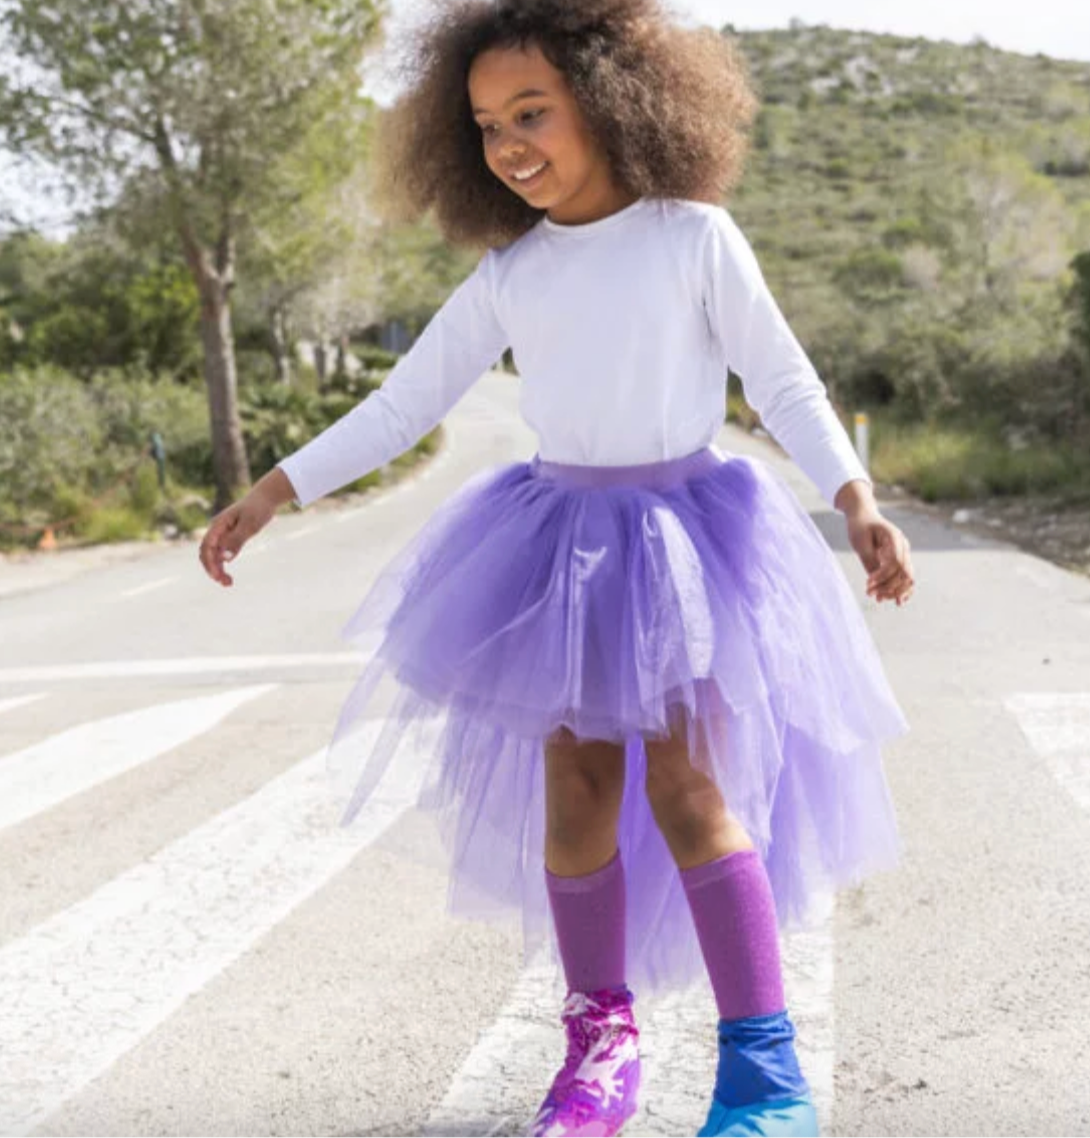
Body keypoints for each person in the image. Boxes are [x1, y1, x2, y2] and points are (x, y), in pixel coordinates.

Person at [198, 1, 916, 1134]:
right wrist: (274, 488)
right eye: (485, 124)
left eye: (531, 111)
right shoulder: (513, 272)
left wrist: (856, 497)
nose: (509, 144)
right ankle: (600, 1048)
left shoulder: (690, 235)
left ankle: (762, 1071)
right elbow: (407, 401)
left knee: (689, 787)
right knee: (575, 790)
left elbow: (779, 382)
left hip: (686, 541)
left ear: (613, 100)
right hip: (562, 550)